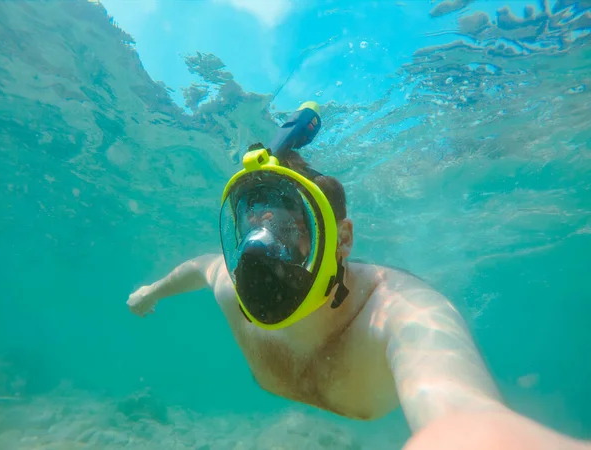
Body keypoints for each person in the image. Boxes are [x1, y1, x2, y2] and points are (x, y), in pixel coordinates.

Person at [127, 102, 589, 447]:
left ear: (342, 240)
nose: (259, 250)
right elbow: (201, 267)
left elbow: (463, 416)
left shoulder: (398, 312)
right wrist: (152, 292)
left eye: (288, 228)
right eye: (253, 227)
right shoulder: (232, 289)